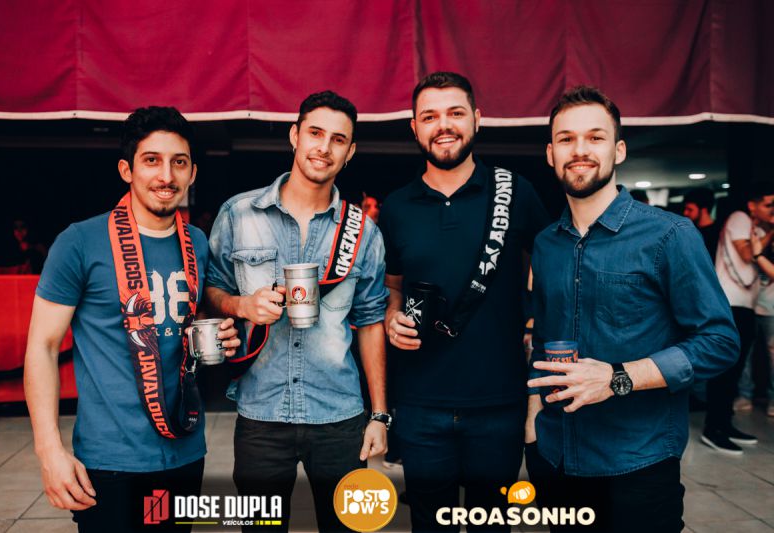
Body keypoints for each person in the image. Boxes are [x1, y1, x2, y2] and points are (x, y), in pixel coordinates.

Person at [525, 86, 739, 533]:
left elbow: (720, 341)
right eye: (566, 139)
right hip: (557, 457)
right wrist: (533, 428)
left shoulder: (669, 235)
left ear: (618, 150)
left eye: (595, 137)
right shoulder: (546, 244)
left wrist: (618, 378)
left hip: (639, 462)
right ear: (550, 153)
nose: (579, 150)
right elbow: (543, 339)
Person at [23, 106, 240, 533]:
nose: (166, 176)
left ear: (192, 173)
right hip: (110, 460)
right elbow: (42, 346)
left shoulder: (197, 242)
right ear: (127, 169)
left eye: (179, 162)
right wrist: (49, 452)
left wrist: (220, 334)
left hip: (184, 449)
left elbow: (186, 324)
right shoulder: (80, 241)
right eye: (152, 160)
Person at [205, 91, 389, 532]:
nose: (324, 148)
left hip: (340, 416)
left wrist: (379, 415)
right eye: (315, 133)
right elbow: (211, 290)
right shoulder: (239, 213)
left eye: (338, 139)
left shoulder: (363, 232)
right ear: (295, 136)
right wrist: (242, 305)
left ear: (350, 151)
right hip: (261, 414)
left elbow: (370, 323)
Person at [379, 71, 549, 532]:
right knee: (429, 525)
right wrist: (393, 315)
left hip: (499, 403)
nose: (443, 125)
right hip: (420, 403)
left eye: (455, 113)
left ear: (477, 118)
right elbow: (392, 285)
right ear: (414, 127)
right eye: (429, 116)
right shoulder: (397, 206)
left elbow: (554, 268)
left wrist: (533, 323)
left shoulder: (517, 192)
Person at [703, 182, 774, 452]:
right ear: (752, 205)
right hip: (729, 304)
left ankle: (725, 423)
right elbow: (747, 255)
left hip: (746, 305)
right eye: (768, 204)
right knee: (725, 369)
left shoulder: (757, 229)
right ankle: (713, 428)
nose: (773, 209)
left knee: (734, 369)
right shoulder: (739, 218)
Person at [751, 217, 774, 416]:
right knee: (749, 355)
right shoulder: (760, 234)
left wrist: (757, 254)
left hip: (772, 308)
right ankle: (744, 396)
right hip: (753, 303)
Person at [683, 187, 719, 261]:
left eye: (690, 209)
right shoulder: (689, 231)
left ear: (704, 210)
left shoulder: (718, 233)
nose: (685, 213)